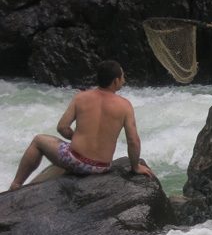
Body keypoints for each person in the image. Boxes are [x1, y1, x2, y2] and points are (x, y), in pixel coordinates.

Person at [8, 60, 153, 191]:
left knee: (39, 140)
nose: (124, 79)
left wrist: (77, 137)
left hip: (75, 161)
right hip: (101, 167)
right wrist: (135, 167)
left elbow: (62, 127)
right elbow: (133, 141)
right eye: (123, 76)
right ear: (115, 81)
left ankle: (16, 185)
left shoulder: (81, 97)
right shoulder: (125, 105)